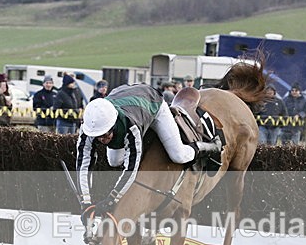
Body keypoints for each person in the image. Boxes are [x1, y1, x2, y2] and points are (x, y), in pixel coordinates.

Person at [75, 84, 223, 217]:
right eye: (98, 136)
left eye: (106, 133)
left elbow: (131, 169)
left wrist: (112, 199)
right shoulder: (88, 129)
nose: (102, 139)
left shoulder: (131, 127)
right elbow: (83, 165)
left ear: (113, 123)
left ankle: (211, 147)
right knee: (114, 161)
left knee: (178, 155)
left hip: (152, 102)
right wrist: (85, 203)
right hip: (124, 96)